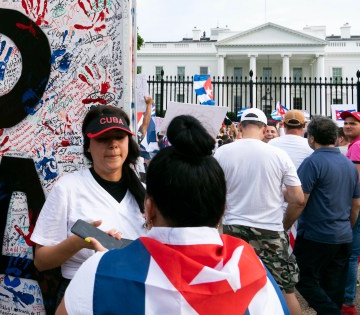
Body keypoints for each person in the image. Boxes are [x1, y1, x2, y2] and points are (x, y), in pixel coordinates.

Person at [58, 115, 287, 314]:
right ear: (222, 210)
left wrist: (105, 263)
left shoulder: (98, 272)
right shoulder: (252, 267)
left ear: (149, 209)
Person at [31, 105, 147, 305]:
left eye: (120, 137)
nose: (113, 145)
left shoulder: (146, 193)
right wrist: (80, 241)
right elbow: (41, 261)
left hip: (132, 294)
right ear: (87, 145)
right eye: (103, 138)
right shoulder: (68, 188)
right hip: (83, 294)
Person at [214, 107, 305, 315]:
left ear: (240, 126)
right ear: (264, 129)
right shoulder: (278, 154)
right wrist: (282, 205)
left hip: (233, 228)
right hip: (270, 229)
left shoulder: (222, 152)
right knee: (285, 289)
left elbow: (213, 193)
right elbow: (298, 198)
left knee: (232, 287)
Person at [293, 116, 360, 315]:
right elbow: (355, 204)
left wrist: (286, 223)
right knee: (334, 286)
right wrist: (348, 226)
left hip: (316, 235)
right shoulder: (348, 164)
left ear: (311, 138)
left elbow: (300, 200)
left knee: (302, 279)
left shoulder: (312, 162)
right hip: (342, 235)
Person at [340, 110, 360, 314]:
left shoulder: (357, 147)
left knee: (352, 255)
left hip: (357, 204)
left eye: (352, 123)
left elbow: (356, 181)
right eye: (345, 123)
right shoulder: (354, 146)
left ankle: (347, 301)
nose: (347, 126)